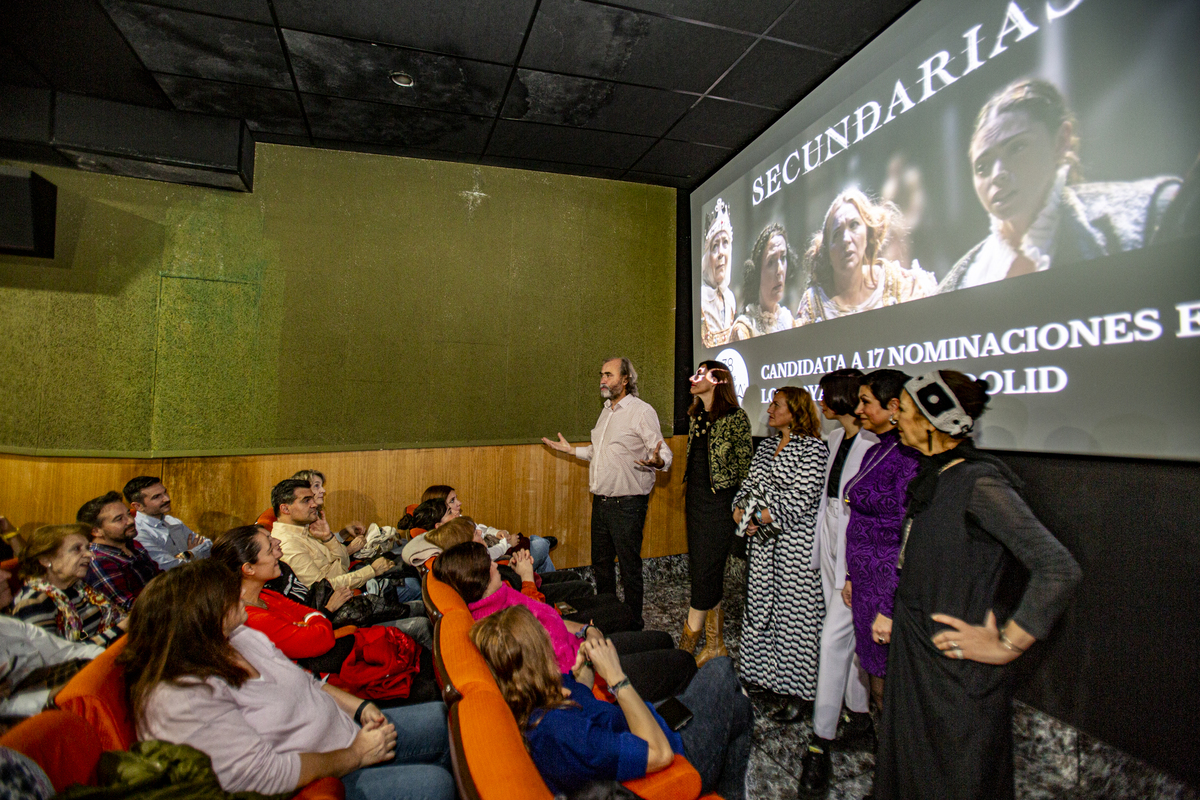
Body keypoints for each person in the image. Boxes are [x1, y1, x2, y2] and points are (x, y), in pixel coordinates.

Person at [874, 371, 1081, 799]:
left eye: (907, 413)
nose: (898, 421)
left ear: (935, 423)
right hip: (918, 660)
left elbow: (1058, 568)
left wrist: (1008, 643)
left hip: (955, 678)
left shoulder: (979, 483)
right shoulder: (938, 477)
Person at [124, 560, 454, 800]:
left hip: (349, 733)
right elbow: (265, 775)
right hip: (317, 779)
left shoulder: (239, 636)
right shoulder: (180, 696)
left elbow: (308, 682)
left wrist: (360, 707)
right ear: (202, 614)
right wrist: (355, 755)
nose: (242, 594)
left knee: (446, 718)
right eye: (229, 593)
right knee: (436, 784)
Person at [471, 605, 752, 800]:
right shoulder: (562, 733)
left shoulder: (534, 690)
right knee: (720, 669)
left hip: (641, 724)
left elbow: (581, 694)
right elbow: (659, 755)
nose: (547, 634)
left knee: (739, 710)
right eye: (539, 632)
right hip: (674, 752)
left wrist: (583, 670)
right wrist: (617, 678)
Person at [939, 78, 1180, 291]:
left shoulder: (1152, 209)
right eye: (983, 166)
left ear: (1061, 141)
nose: (998, 174)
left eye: (1017, 148)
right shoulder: (960, 278)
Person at [800, 369, 919, 793]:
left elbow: (901, 525)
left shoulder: (896, 452)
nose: (863, 408)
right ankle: (850, 720)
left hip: (880, 571)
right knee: (848, 646)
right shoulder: (865, 446)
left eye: (871, 401)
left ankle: (823, 740)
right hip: (853, 560)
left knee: (839, 642)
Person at [433, 541, 694, 703]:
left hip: (582, 644)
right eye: (488, 563)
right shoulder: (499, 626)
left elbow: (548, 616)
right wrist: (598, 661)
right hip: (589, 678)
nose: (494, 563)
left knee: (662, 639)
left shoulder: (499, 594)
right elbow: (559, 680)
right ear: (477, 578)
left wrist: (586, 629)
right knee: (682, 662)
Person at [211, 525, 436, 704]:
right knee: (425, 662)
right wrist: (313, 622)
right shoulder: (251, 617)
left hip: (341, 656)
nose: (277, 547)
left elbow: (311, 615)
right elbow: (318, 638)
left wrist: (311, 622)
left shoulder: (266, 595)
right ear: (248, 569)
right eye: (270, 549)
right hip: (331, 682)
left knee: (419, 636)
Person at [542, 357, 672, 630]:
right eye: (601, 374)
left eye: (609, 375)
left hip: (628, 505)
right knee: (601, 566)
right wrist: (570, 451)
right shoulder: (606, 412)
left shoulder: (641, 411)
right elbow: (597, 452)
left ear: (625, 380)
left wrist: (659, 462)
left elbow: (663, 453)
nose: (602, 379)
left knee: (629, 568)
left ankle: (634, 624)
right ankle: (607, 617)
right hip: (600, 503)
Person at [794, 370, 876, 788]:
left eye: (826, 395)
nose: (820, 401)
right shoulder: (833, 440)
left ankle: (820, 740)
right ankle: (859, 717)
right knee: (844, 636)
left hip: (855, 549)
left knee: (833, 637)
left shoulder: (875, 445)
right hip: (828, 541)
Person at [732, 387, 827, 711]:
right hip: (761, 544)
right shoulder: (767, 446)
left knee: (794, 617)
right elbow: (747, 486)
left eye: (776, 404)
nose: (769, 409)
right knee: (760, 610)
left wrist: (754, 517)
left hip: (795, 549)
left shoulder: (813, 450)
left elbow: (799, 500)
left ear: (796, 410)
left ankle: (798, 693)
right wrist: (740, 512)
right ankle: (764, 680)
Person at [677, 361, 752, 667]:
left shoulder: (736, 418)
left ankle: (684, 652)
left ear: (718, 381)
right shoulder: (697, 417)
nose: (693, 378)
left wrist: (740, 507)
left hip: (720, 505)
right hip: (694, 502)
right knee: (703, 569)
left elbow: (746, 468)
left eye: (702, 374)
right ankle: (716, 645)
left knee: (705, 572)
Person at [795, 189, 935, 326]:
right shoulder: (814, 305)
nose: (846, 239)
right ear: (827, 252)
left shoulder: (897, 283)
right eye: (837, 234)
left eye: (854, 225)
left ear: (868, 233)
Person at [0, 564, 104, 722]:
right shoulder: (33, 601)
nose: (6, 575)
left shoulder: (7, 624)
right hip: (31, 723)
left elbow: (64, 651)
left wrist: (108, 659)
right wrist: (55, 696)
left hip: (48, 685)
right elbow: (6, 711)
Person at [270, 479, 392, 593]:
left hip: (347, 584)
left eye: (312, 499)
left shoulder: (305, 529)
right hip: (337, 601)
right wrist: (372, 571)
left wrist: (327, 537)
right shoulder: (287, 544)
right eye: (306, 500)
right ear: (285, 508)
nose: (314, 505)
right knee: (409, 585)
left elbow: (343, 563)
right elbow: (321, 589)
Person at [11, 524, 125, 646]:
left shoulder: (80, 587)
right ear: (45, 560)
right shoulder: (33, 603)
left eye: (87, 548)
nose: (90, 555)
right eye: (77, 549)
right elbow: (55, 658)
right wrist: (121, 629)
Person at [421, 484, 558, 574]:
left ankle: (542, 587)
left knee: (543, 557)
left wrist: (497, 533)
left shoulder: (456, 520)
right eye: (452, 501)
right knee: (539, 546)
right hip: (497, 565)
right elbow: (484, 555)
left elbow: (480, 528)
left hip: (498, 549)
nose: (459, 503)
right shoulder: (453, 534)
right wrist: (507, 544)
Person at [76, 491, 162, 611]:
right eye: (119, 519)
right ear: (96, 531)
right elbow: (128, 607)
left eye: (128, 514)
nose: (131, 521)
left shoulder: (132, 544)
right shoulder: (97, 560)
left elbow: (161, 579)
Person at [124, 476, 212, 570]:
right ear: (138, 506)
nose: (166, 499)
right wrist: (192, 553)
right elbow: (169, 567)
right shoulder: (138, 532)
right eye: (156, 497)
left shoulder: (172, 521)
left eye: (165, 492)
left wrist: (189, 553)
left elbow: (208, 545)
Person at [730, 223, 797, 340]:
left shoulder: (788, 321)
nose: (780, 270)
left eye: (783, 258)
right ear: (757, 273)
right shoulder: (745, 330)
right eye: (771, 262)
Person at [292, 469, 367, 555]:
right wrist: (349, 550)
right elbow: (321, 560)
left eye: (321, 486)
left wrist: (344, 533)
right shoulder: (299, 520)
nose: (323, 490)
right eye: (316, 486)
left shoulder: (315, 514)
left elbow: (326, 544)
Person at [700, 198, 736, 348]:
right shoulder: (700, 299)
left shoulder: (730, 298)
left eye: (725, 243)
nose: (721, 252)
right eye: (715, 246)